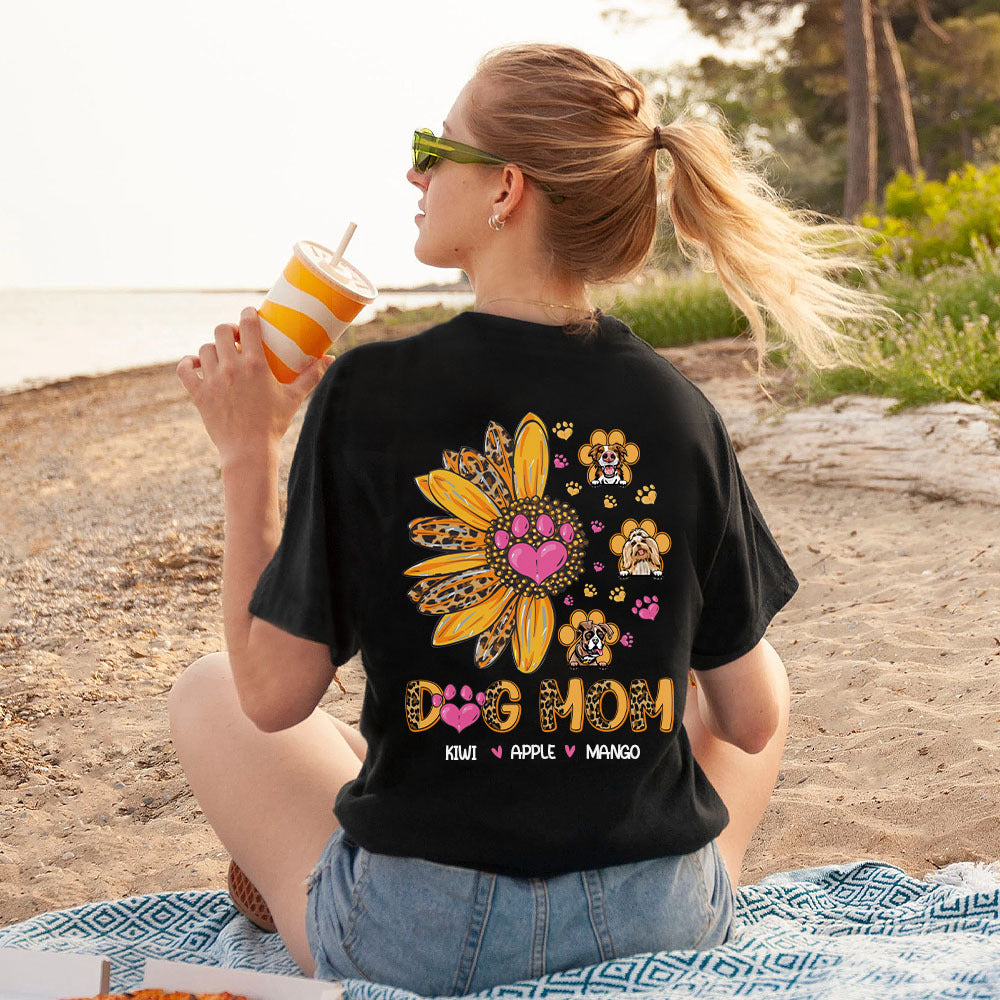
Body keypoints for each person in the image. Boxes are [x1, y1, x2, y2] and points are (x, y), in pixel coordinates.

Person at [170, 42, 894, 992]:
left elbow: (272, 696)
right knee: (752, 664)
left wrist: (247, 451)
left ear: (506, 188)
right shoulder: (678, 409)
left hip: (420, 944)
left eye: (435, 149)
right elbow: (750, 723)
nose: (416, 175)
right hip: (656, 928)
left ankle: (349, 816)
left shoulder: (369, 392)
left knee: (211, 690)